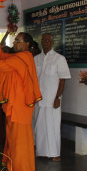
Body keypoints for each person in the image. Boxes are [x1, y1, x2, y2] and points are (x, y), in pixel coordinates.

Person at [0, 24, 42, 171]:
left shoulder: (23, 58)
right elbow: (2, 56)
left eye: (18, 41)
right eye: (15, 41)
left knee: (20, 144)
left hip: (20, 109)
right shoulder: (19, 57)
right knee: (12, 141)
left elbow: (0, 65)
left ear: (27, 44)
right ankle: (12, 166)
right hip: (14, 106)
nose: (14, 43)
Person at [33, 33, 71, 162]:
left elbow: (62, 80)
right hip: (38, 100)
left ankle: (55, 153)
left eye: (48, 40)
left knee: (52, 126)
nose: (46, 42)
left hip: (52, 100)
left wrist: (57, 98)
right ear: (41, 42)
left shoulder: (59, 59)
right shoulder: (36, 58)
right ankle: (40, 151)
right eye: (44, 40)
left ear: (52, 42)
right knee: (39, 126)